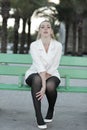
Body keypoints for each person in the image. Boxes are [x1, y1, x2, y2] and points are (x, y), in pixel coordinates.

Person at [25, 20, 62, 129]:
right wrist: (43, 84)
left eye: (48, 27)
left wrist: (45, 85)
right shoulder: (34, 45)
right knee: (37, 80)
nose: (45, 28)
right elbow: (39, 65)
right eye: (42, 27)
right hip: (34, 72)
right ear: (39, 31)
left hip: (52, 72)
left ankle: (51, 109)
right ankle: (39, 115)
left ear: (51, 31)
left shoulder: (58, 45)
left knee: (50, 86)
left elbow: (55, 64)